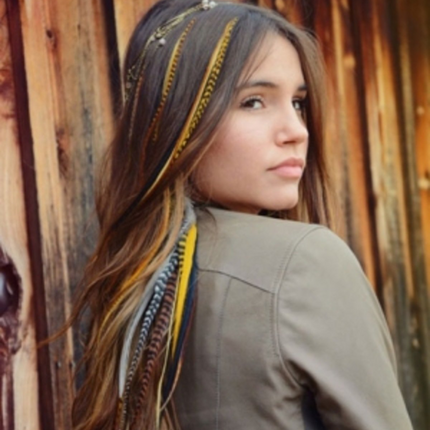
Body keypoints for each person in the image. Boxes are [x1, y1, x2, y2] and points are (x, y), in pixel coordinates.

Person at [69, 0, 414, 429]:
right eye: (253, 102)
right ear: (180, 122)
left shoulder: (130, 278)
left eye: (298, 103)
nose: (297, 131)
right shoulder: (306, 262)